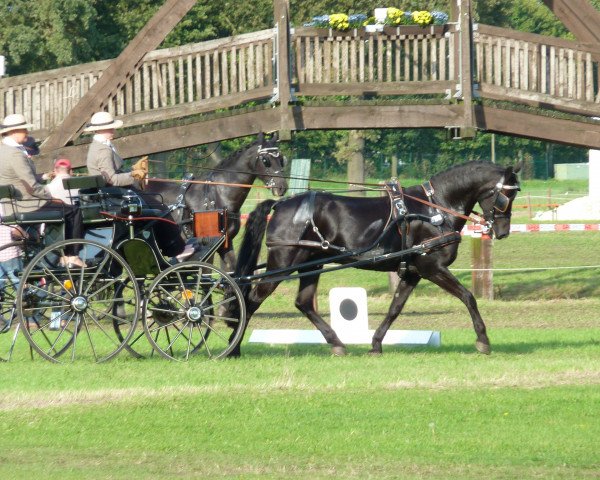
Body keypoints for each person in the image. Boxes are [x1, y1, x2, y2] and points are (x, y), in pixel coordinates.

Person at [84, 111, 185, 257]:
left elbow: (114, 173)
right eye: (110, 127)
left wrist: (133, 169)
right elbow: (113, 179)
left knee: (155, 204)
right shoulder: (102, 150)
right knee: (159, 209)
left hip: (113, 194)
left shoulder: (101, 145)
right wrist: (134, 175)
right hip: (114, 196)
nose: (113, 130)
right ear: (101, 129)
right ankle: (174, 250)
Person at [0, 114, 85, 267]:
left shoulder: (3, 150)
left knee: (60, 208)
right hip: (26, 204)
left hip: (11, 205)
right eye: (24, 129)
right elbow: (31, 186)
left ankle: (36, 239)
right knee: (73, 211)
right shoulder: (15, 154)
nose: (26, 132)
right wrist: (50, 196)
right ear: (14, 132)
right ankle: (71, 255)